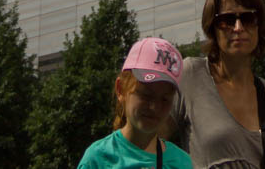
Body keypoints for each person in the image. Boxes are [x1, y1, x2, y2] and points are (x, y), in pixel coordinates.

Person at [176, 0, 265, 169]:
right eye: (227, 21)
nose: (238, 28)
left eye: (248, 18)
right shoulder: (190, 75)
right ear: (212, 27)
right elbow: (149, 142)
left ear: (260, 26)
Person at [79, 37, 193, 169]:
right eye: (146, 95)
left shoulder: (182, 163)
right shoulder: (97, 159)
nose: (155, 107)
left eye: (165, 99)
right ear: (121, 89)